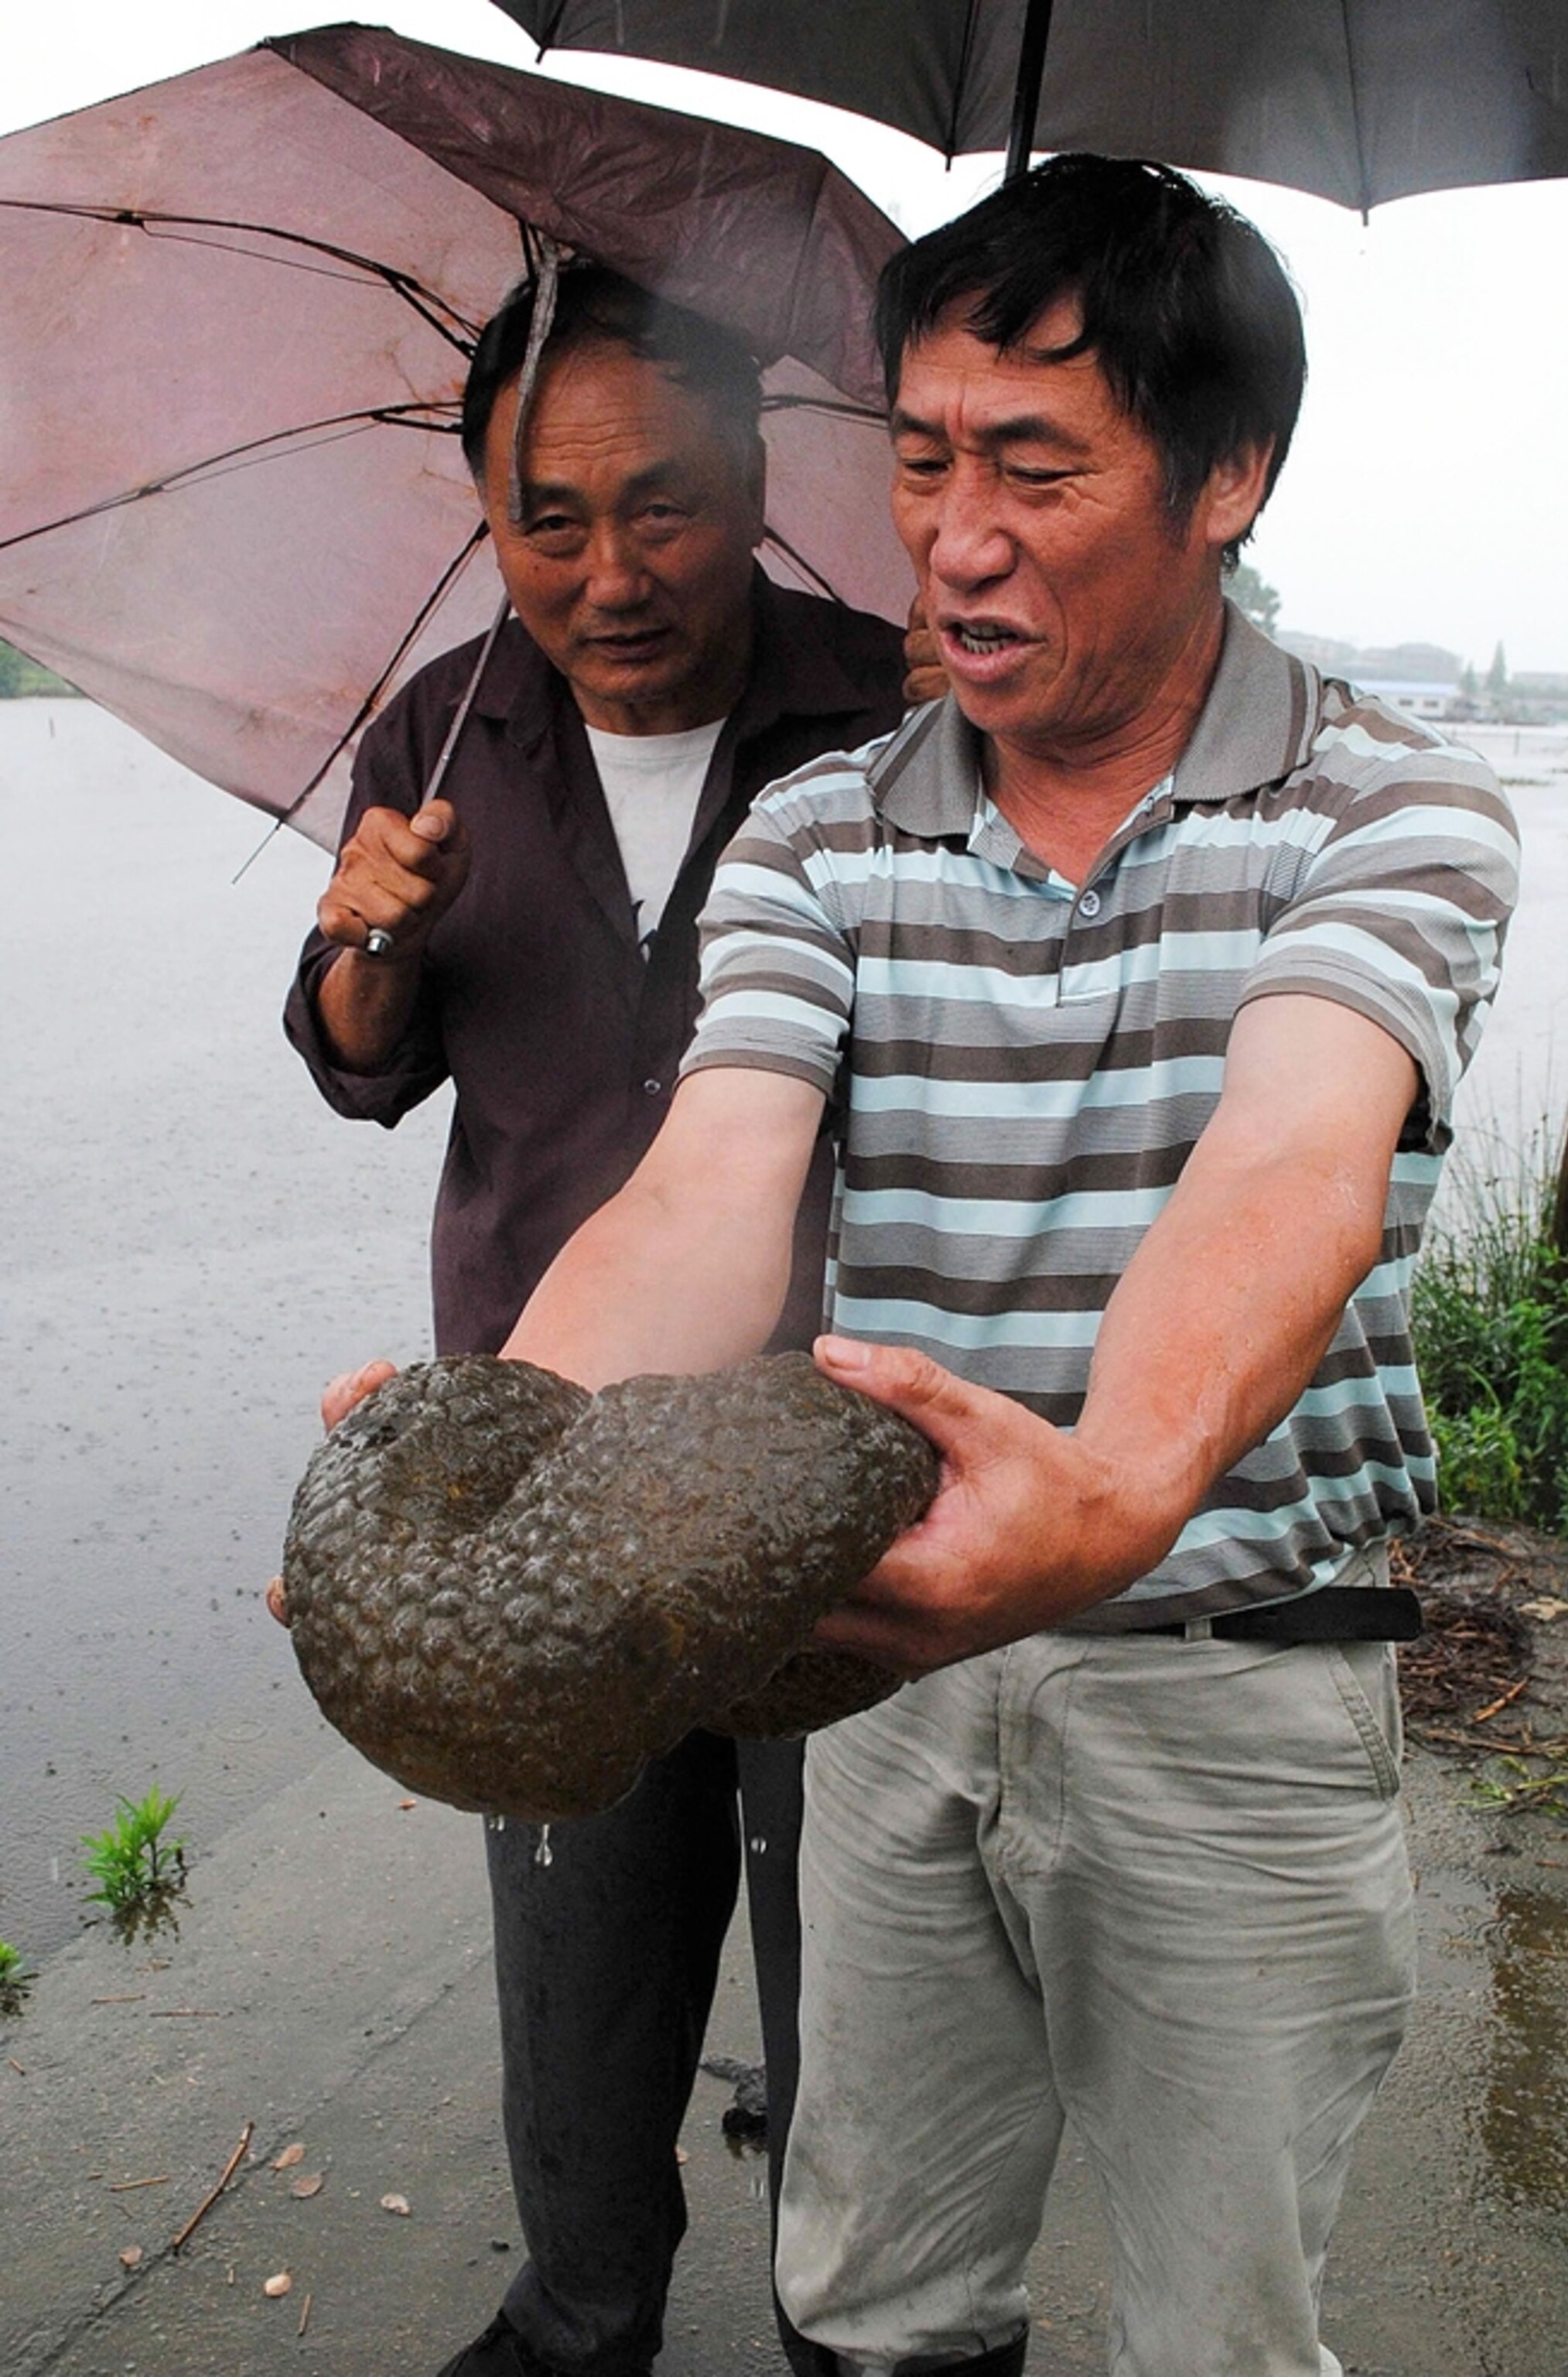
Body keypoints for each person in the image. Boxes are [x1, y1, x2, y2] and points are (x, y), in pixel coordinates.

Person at [470, 157, 1519, 2377]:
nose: (950, 537)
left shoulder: (1389, 811)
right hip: (893, 1678)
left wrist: (1113, 1487)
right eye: (920, 458)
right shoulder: (824, 829)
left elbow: (1291, 1155)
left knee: (1215, 2326)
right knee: (871, 2296)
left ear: (1226, 473)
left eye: (1035, 466)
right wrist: (512, 1468)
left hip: (1232, 1674)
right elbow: (705, 1189)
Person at [284, 263, 914, 2377]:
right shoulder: (447, 730)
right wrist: (360, 943)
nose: (609, 569)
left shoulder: (902, 712)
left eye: (662, 504)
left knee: (871, 1987)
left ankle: (863, 2320)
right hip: (548, 1478)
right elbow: (366, 1067)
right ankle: (583, 2312)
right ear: (486, 517)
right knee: (575, 1987)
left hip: (849, 1470)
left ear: (752, 488)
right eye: (548, 516)